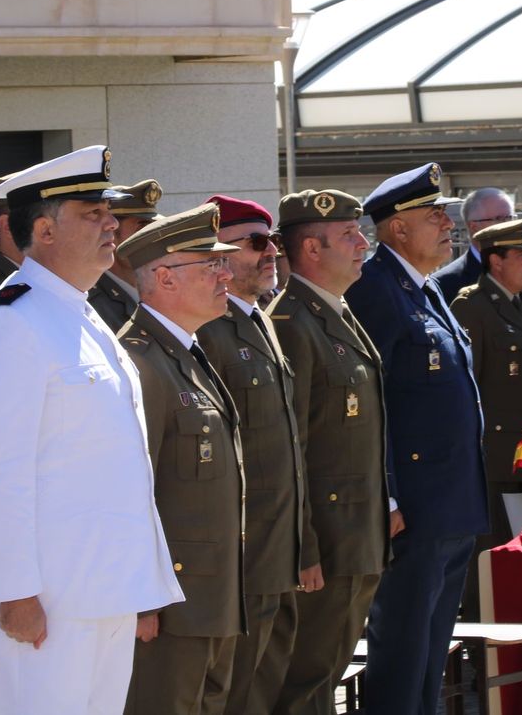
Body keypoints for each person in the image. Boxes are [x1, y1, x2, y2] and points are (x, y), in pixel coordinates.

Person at [0, 146, 179, 715]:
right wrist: (15, 592)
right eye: (91, 212)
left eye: (109, 211)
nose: (112, 223)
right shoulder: (14, 321)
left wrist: (139, 583)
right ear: (43, 230)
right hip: (47, 600)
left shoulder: (80, 314)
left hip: (102, 590)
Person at [347, 163, 486, 715]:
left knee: (431, 648)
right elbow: (367, 403)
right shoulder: (377, 289)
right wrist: (388, 494)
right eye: (434, 215)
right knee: (402, 649)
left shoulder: (425, 290)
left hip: (451, 500)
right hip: (415, 506)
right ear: (398, 228)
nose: (447, 223)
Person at [113, 204, 244, 715]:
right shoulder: (140, 362)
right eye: (209, 265)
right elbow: (129, 492)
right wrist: (141, 599)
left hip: (211, 600)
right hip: (169, 609)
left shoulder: (187, 353)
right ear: (164, 277)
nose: (225, 274)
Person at [269, 190, 391, 715]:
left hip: (356, 533)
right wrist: (305, 548)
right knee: (305, 683)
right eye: (349, 236)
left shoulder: (335, 314)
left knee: (326, 678)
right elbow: (288, 447)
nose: (364, 243)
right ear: (311, 250)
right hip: (326, 542)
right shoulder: (292, 322)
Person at [198, 195, 308, 712]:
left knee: (265, 689)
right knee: (237, 693)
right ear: (218, 254)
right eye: (256, 243)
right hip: (243, 554)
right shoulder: (208, 330)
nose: (271, 254)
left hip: (278, 548)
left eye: (275, 243)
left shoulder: (260, 318)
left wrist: (302, 546)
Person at [451, 217, 522, 609]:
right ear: (496, 261)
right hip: (495, 457)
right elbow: (467, 388)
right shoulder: (472, 306)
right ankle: (486, 654)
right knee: (493, 558)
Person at [431, 186, 522, 312]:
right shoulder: (446, 283)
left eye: (510, 218)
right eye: (499, 219)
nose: (508, 225)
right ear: (474, 226)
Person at [88, 180, 162, 332]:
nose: (152, 239)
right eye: (142, 229)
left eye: (154, 229)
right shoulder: (93, 302)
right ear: (112, 232)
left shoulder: (156, 293)